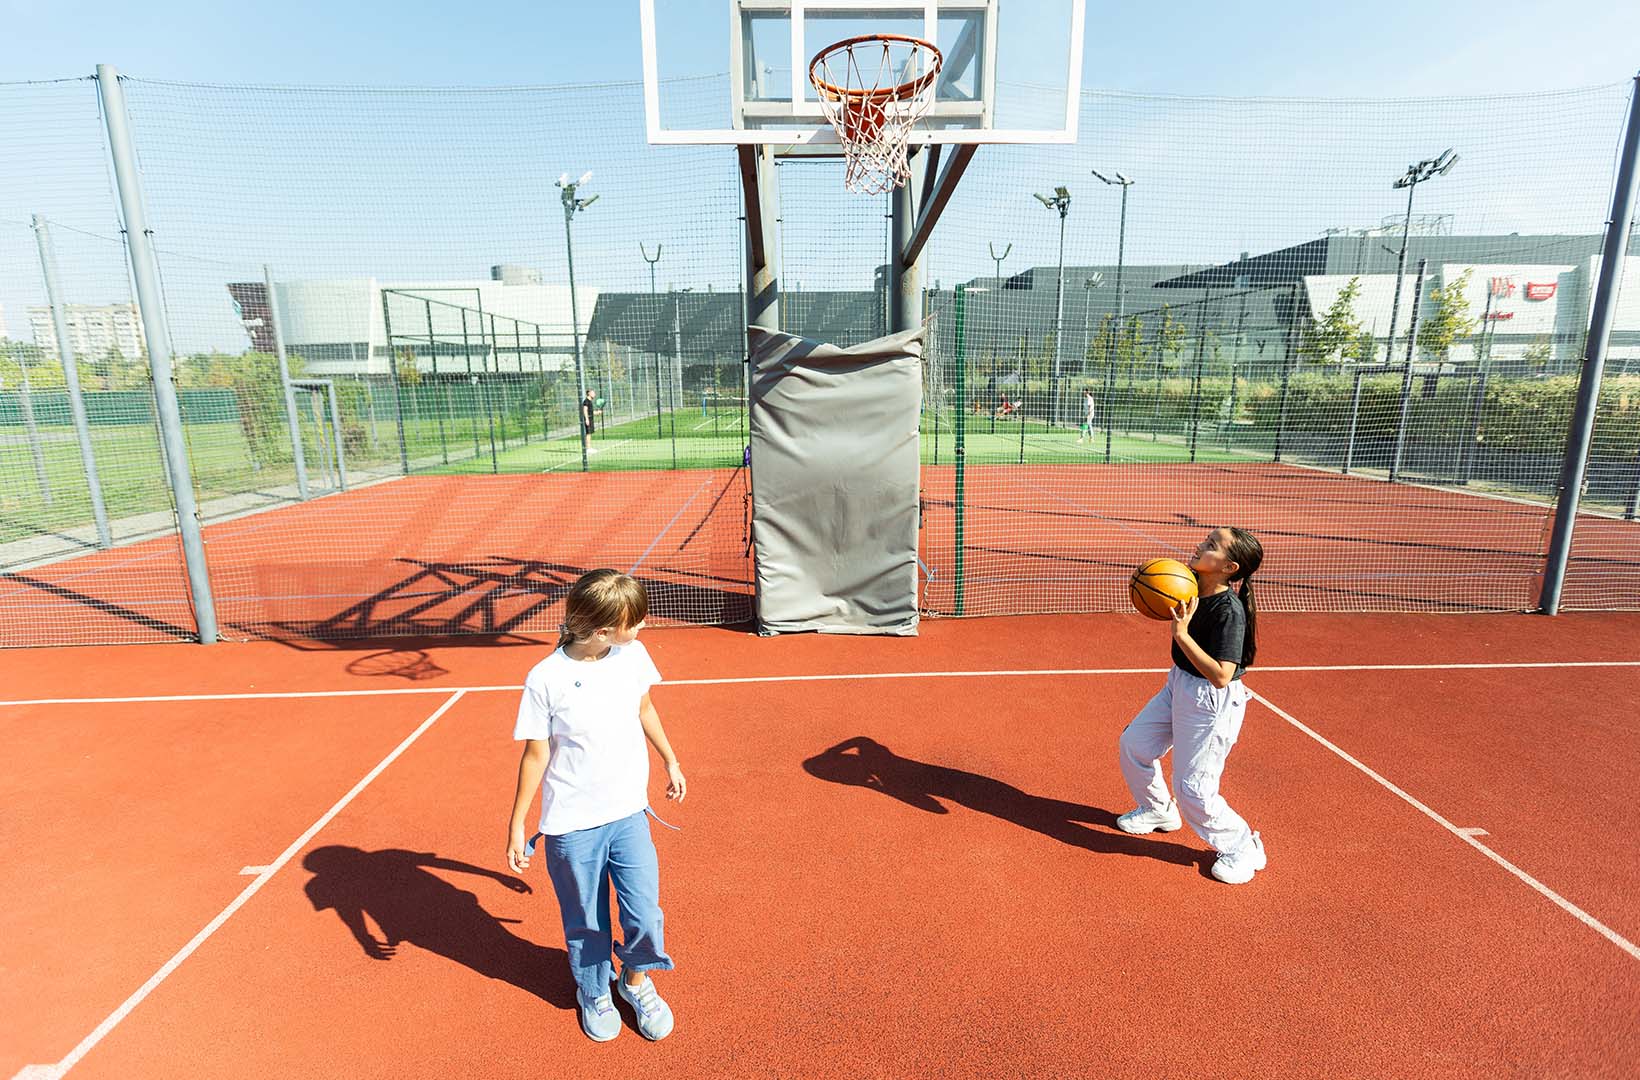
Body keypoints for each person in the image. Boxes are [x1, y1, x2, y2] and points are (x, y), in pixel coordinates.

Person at [507, 569, 687, 1042]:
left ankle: (634, 980)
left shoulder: (632, 655)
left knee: (644, 913)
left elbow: (644, 709)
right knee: (586, 919)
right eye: (637, 620)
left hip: (629, 813)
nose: (644, 627)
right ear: (603, 629)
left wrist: (671, 761)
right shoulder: (546, 678)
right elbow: (536, 753)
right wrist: (517, 824)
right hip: (572, 825)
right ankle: (593, 989)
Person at [1115, 527, 1267, 885]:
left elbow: (1221, 675)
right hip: (1180, 683)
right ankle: (1158, 810)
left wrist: (1181, 635)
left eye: (1212, 546)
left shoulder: (1228, 611)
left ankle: (1243, 846)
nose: (1200, 545)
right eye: (1206, 540)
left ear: (1229, 568)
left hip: (1211, 700)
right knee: (1134, 744)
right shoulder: (1189, 586)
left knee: (1194, 789)